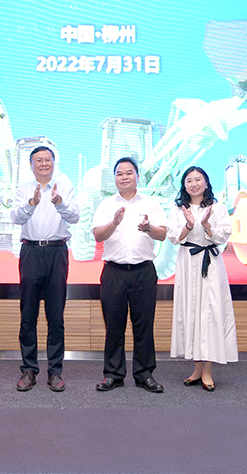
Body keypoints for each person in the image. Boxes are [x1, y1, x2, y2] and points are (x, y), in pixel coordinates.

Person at [92, 157, 167, 393]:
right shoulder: (106, 205)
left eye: (129, 173)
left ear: (137, 176)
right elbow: (98, 236)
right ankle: (113, 374)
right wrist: (114, 223)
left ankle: (144, 374)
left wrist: (149, 228)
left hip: (143, 272)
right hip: (114, 272)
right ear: (114, 178)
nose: (124, 177)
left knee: (143, 325)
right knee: (114, 325)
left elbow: (163, 234)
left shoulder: (151, 203)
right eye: (119, 173)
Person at [10, 146, 79, 392]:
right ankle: (29, 369)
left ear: (53, 162)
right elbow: (16, 218)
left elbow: (75, 217)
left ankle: (55, 371)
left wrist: (59, 203)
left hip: (57, 252)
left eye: (47, 159)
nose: (43, 163)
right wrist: (32, 203)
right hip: (30, 252)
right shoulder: (23, 189)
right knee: (28, 315)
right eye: (38, 160)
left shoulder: (65, 188)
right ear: (31, 165)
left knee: (55, 315)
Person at [168, 166, 238, 391]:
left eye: (198, 179)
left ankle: (207, 371)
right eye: (189, 180)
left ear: (206, 183)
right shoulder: (178, 209)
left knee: (209, 314)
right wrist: (189, 225)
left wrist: (207, 225)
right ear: (184, 185)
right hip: (187, 263)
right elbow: (173, 237)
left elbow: (223, 235)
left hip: (210, 264)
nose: (194, 184)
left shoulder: (217, 207)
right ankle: (196, 369)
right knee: (191, 312)